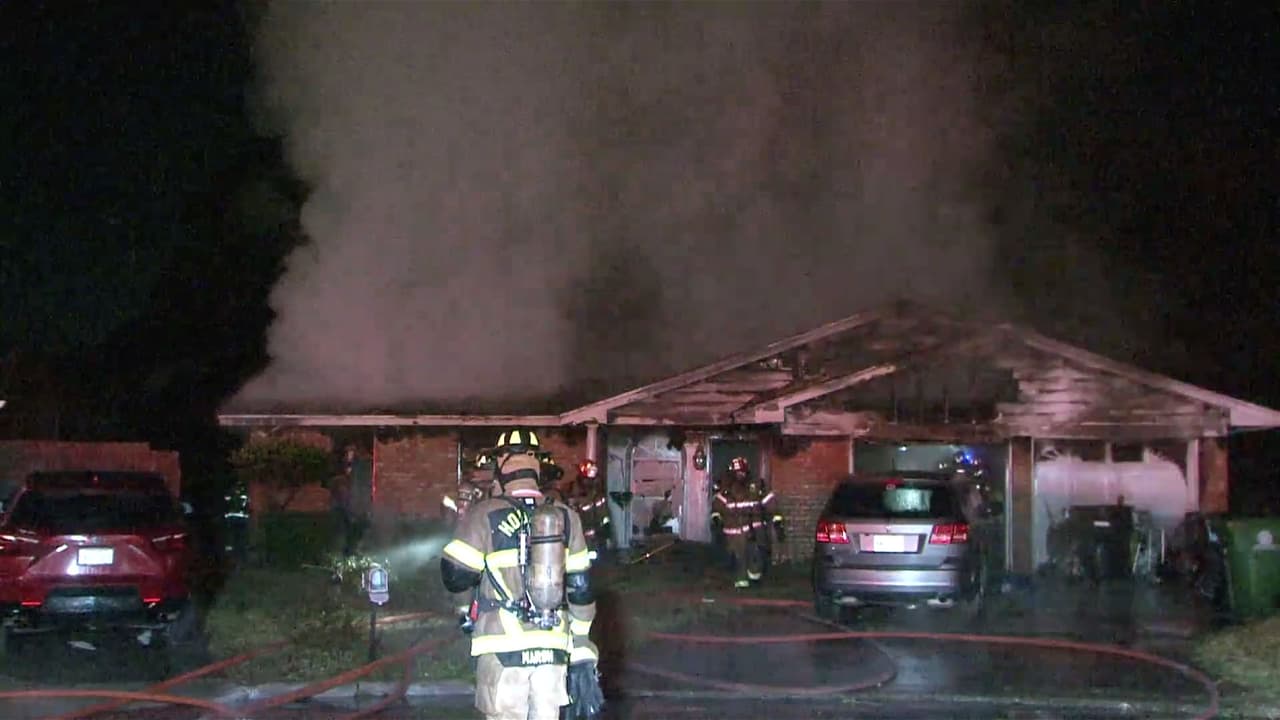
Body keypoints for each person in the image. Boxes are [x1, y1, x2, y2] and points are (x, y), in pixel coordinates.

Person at [440, 429, 603, 720]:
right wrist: (580, 643)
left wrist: (465, 611)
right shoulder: (566, 517)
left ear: (501, 466)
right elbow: (581, 588)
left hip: (503, 647)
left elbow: (455, 576)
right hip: (552, 647)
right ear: (537, 467)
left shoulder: (484, 514)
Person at [710, 456, 774, 588]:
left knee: (756, 556)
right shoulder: (726, 489)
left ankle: (754, 578)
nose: (741, 475)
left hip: (754, 531)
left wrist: (776, 518)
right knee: (739, 558)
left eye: (743, 472)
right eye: (738, 472)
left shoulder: (756, 486)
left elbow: (769, 501)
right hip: (734, 532)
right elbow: (717, 506)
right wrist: (716, 518)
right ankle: (741, 583)